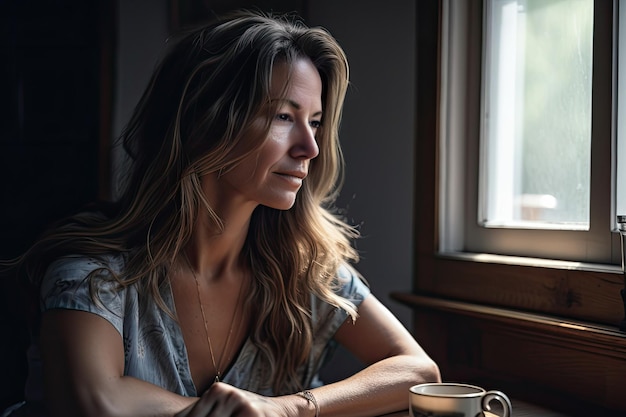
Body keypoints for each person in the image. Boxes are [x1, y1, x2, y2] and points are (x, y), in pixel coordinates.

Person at [2, 10, 440, 417]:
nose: (311, 148)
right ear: (205, 122)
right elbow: (97, 400)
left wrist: (285, 409)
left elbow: (419, 373)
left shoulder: (305, 268)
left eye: (316, 121)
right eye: (285, 116)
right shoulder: (93, 274)